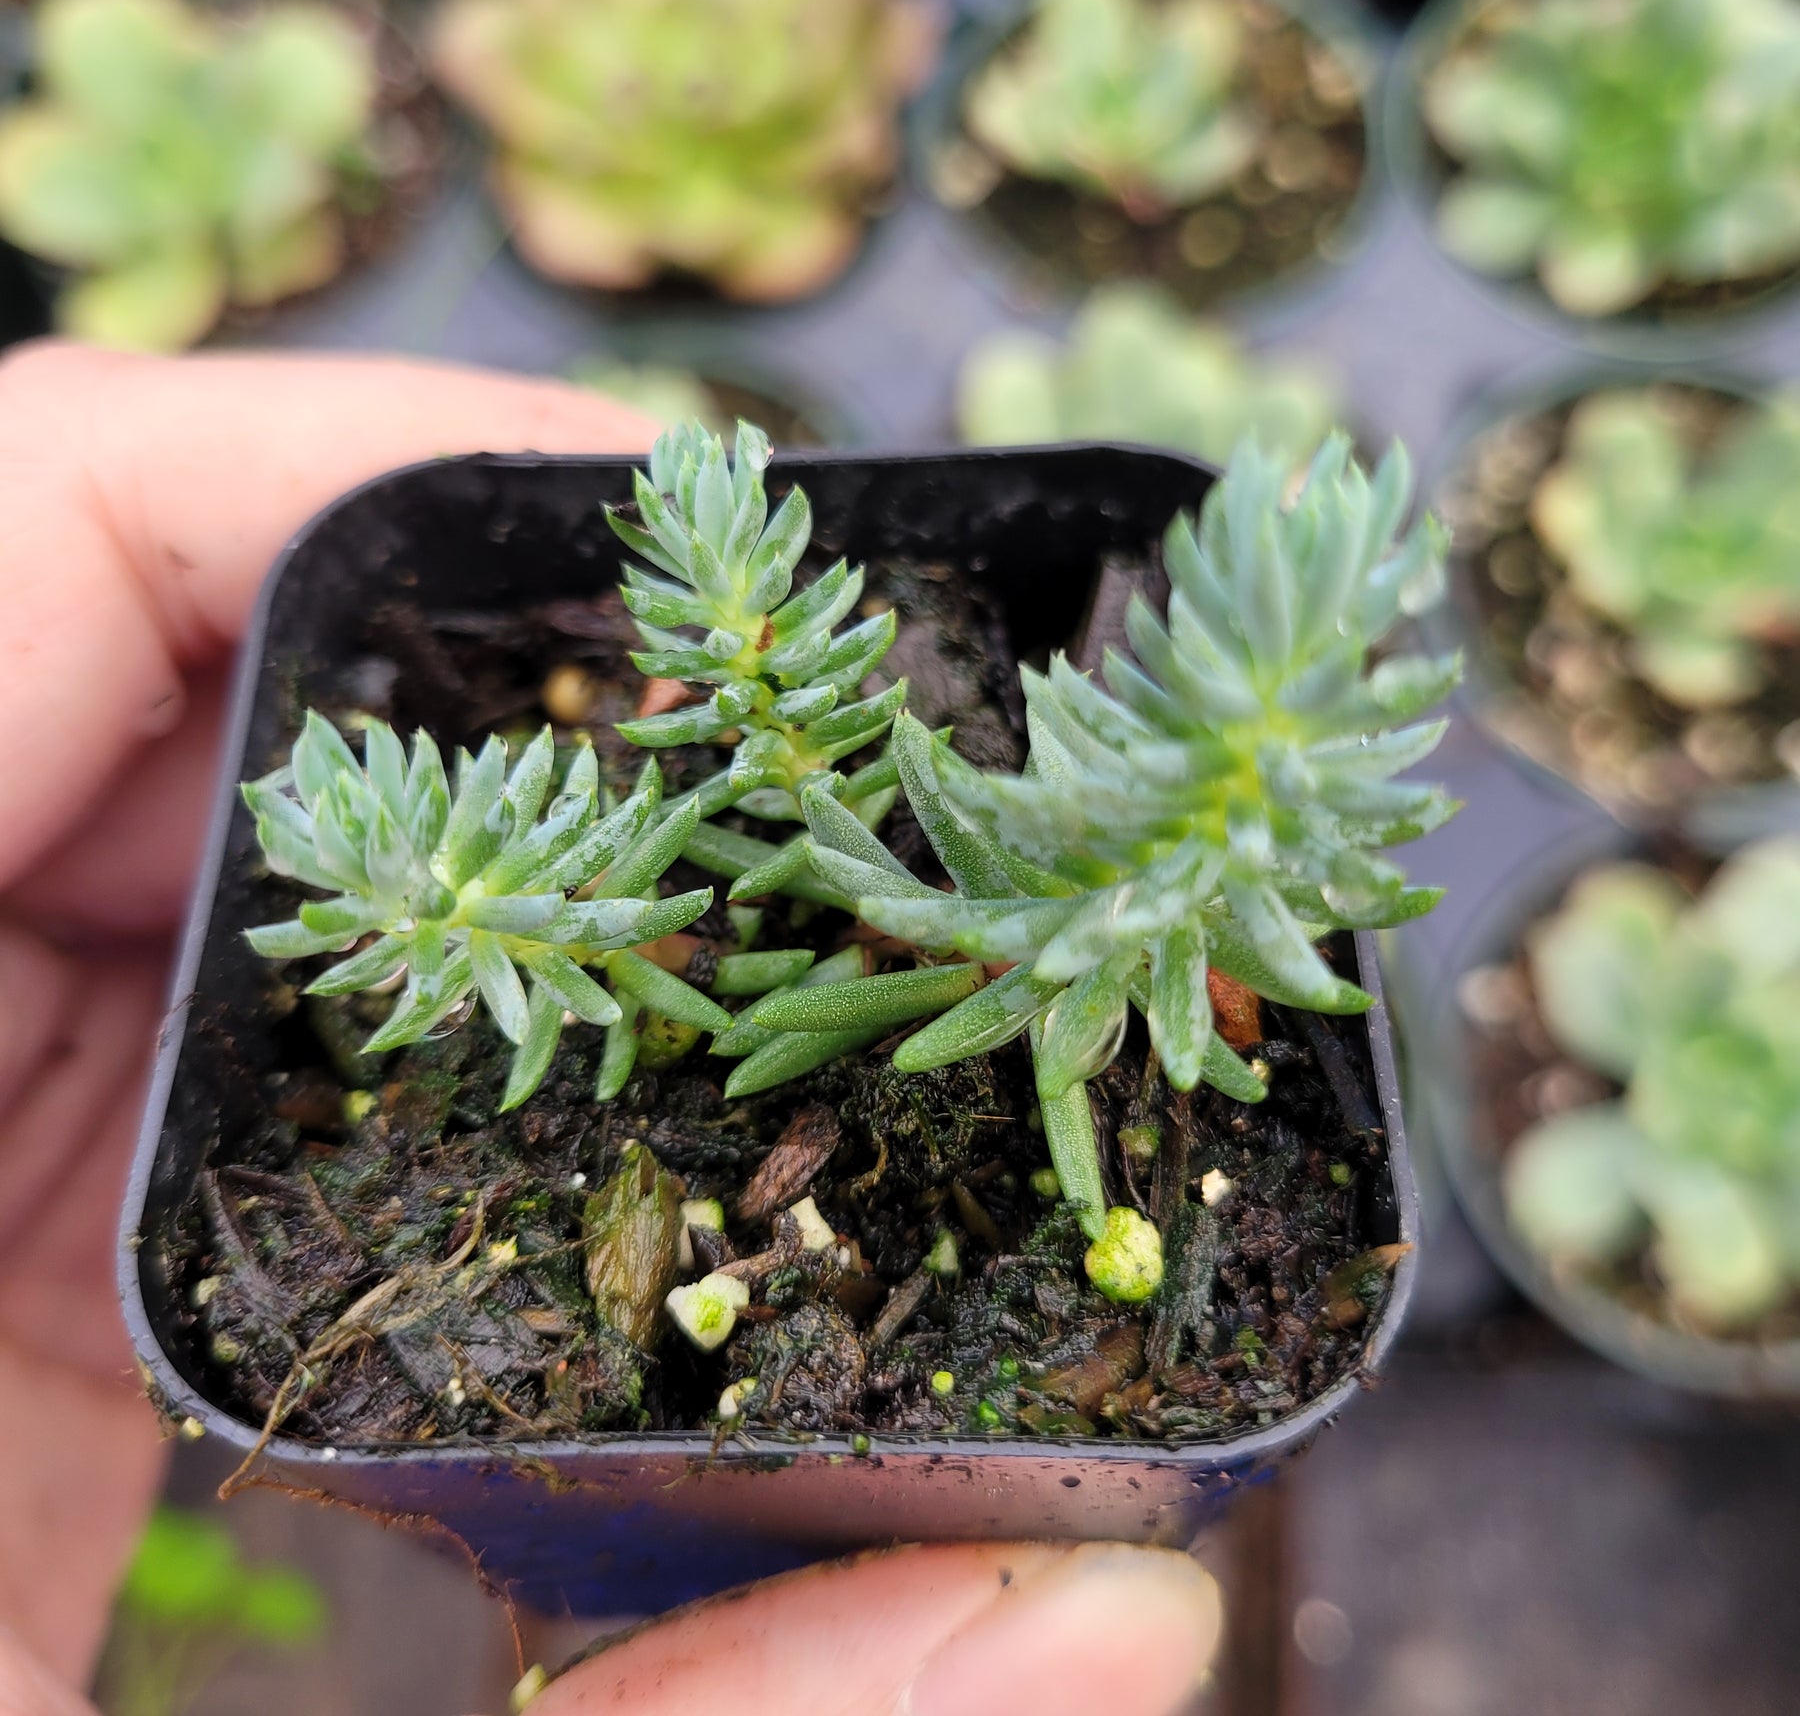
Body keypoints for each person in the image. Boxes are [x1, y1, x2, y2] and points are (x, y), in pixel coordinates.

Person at [0, 343, 1221, 1716]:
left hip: (919, 911)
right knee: (709, 1003)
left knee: (872, 977)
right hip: (693, 942)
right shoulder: (551, 916)